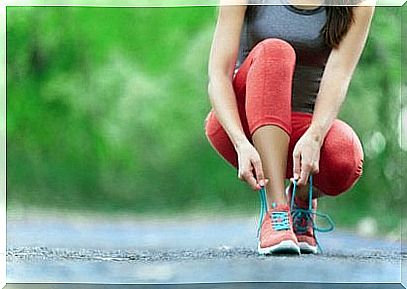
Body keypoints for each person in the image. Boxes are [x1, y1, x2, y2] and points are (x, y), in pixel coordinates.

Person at [204, 0, 375, 254]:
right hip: (242, 125)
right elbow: (218, 74)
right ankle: (276, 211)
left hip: (303, 125)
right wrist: (240, 141)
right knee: (275, 51)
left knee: (346, 157)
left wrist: (315, 136)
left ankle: (301, 197)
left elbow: (338, 74)